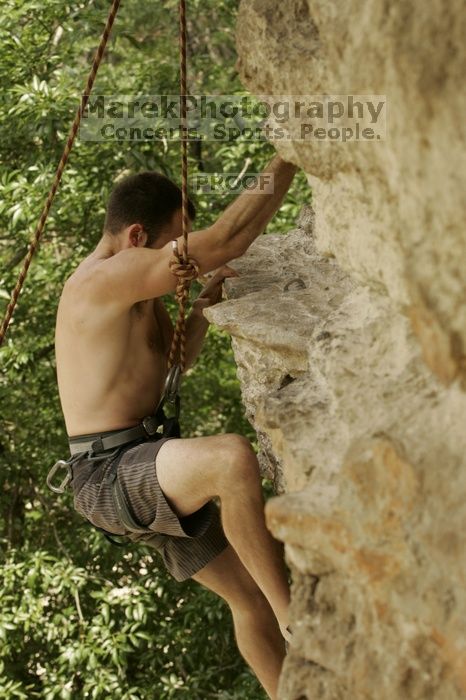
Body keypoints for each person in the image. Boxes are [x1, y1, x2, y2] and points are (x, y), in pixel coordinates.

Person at [54, 154, 298, 700]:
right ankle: (297, 623)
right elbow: (229, 236)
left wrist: (203, 302)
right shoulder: (99, 280)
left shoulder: (135, 299)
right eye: (173, 244)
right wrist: (286, 156)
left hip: (137, 464)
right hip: (111, 471)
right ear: (138, 236)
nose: (178, 257)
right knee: (230, 460)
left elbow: (171, 361)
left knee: (247, 598)